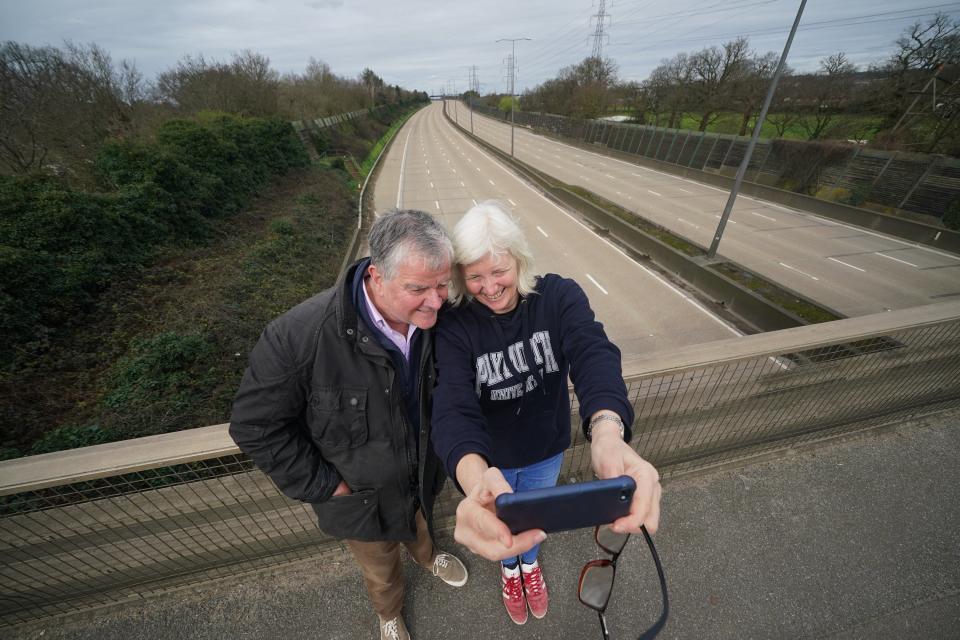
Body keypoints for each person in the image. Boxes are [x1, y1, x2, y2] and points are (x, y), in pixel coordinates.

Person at [229, 209, 468, 640]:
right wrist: (327, 487)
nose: (436, 302)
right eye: (418, 289)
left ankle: (429, 558)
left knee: (422, 529)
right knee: (380, 569)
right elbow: (255, 427)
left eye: (441, 284)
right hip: (359, 499)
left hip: (421, 477)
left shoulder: (440, 321)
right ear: (377, 276)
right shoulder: (298, 337)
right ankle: (388, 614)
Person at [431, 201, 662, 625]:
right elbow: (451, 403)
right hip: (492, 462)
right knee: (505, 524)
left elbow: (593, 354)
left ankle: (528, 565)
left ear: (520, 260)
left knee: (533, 523)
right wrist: (473, 475)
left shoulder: (557, 297)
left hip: (545, 449)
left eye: (499, 271)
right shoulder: (454, 324)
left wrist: (608, 432)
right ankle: (509, 568)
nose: (489, 287)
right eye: (475, 276)